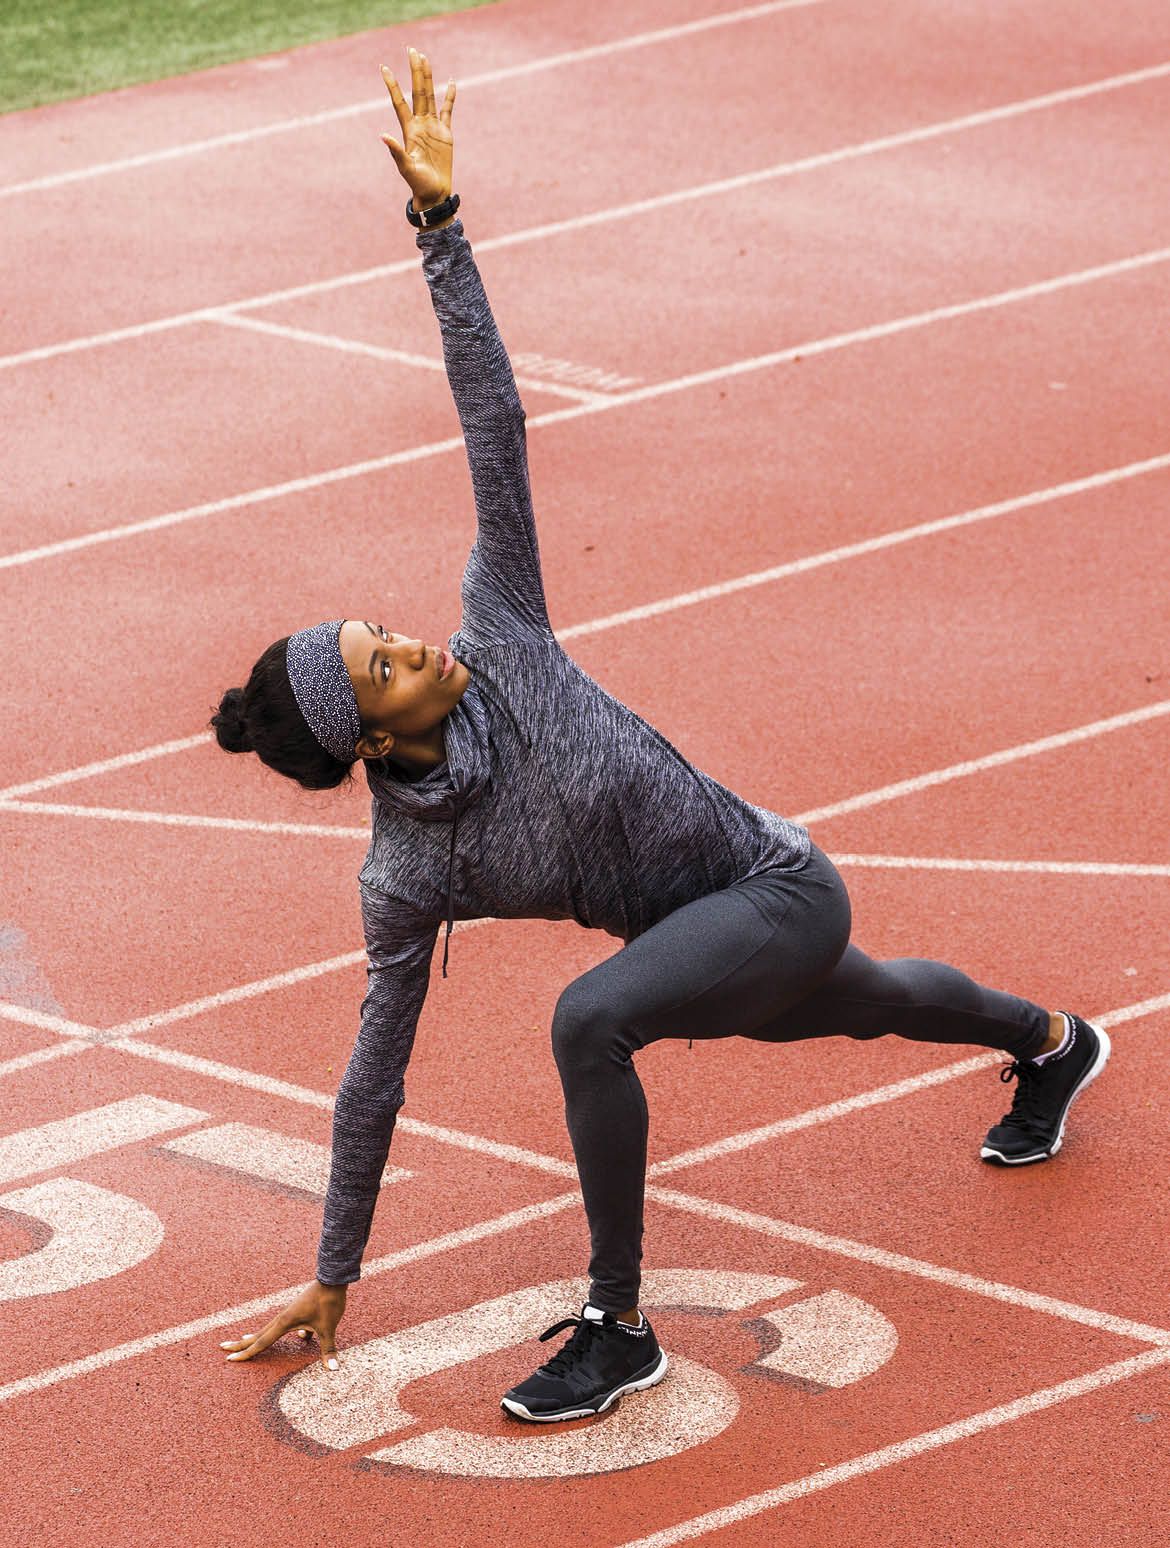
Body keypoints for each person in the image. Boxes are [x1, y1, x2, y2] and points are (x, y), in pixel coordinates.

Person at [215, 50, 1110, 1423]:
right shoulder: (405, 876)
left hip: (768, 888)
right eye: (385, 664)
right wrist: (332, 1273)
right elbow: (370, 1074)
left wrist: (438, 229)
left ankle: (616, 1323)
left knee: (590, 1020)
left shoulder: (500, 629)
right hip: (707, 954)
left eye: (387, 631)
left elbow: (492, 421)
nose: (414, 643)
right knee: (872, 1006)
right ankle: (1050, 1041)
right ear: (363, 739)